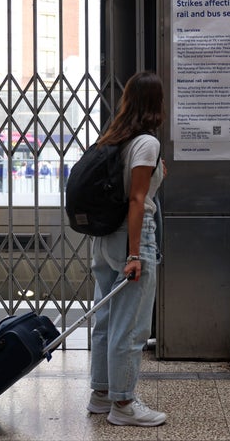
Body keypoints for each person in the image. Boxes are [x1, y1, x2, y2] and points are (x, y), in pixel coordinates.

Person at [86, 71, 167, 427]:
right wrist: (135, 255)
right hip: (132, 238)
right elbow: (137, 200)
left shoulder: (114, 139)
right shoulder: (146, 143)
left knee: (106, 320)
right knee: (131, 325)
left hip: (104, 239)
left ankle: (101, 394)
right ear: (156, 104)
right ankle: (124, 404)